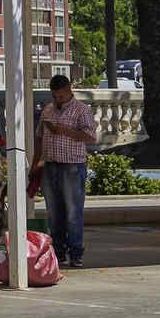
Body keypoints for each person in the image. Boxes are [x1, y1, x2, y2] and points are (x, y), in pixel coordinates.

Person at [36, 74, 97, 269]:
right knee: (54, 212)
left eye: (61, 96)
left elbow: (90, 137)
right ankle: (58, 251)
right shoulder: (47, 110)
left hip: (72, 165)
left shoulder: (82, 110)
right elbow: (39, 137)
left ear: (69, 91)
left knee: (72, 211)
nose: (58, 100)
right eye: (55, 96)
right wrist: (36, 163)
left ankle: (76, 252)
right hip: (50, 164)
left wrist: (65, 131)